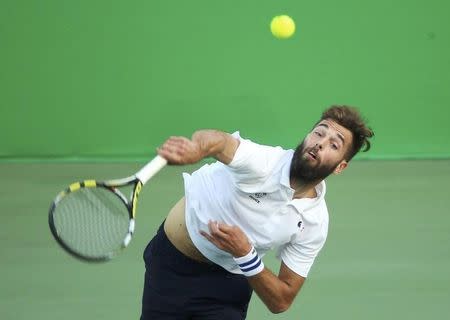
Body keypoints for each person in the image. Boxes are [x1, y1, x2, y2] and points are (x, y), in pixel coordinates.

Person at [140, 105, 374, 319]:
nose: (320, 142)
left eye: (335, 144)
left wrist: (246, 254)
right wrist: (196, 148)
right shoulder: (265, 163)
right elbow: (220, 142)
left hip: (227, 286)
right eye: (319, 133)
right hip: (169, 270)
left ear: (341, 166)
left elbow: (282, 299)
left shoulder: (314, 222)